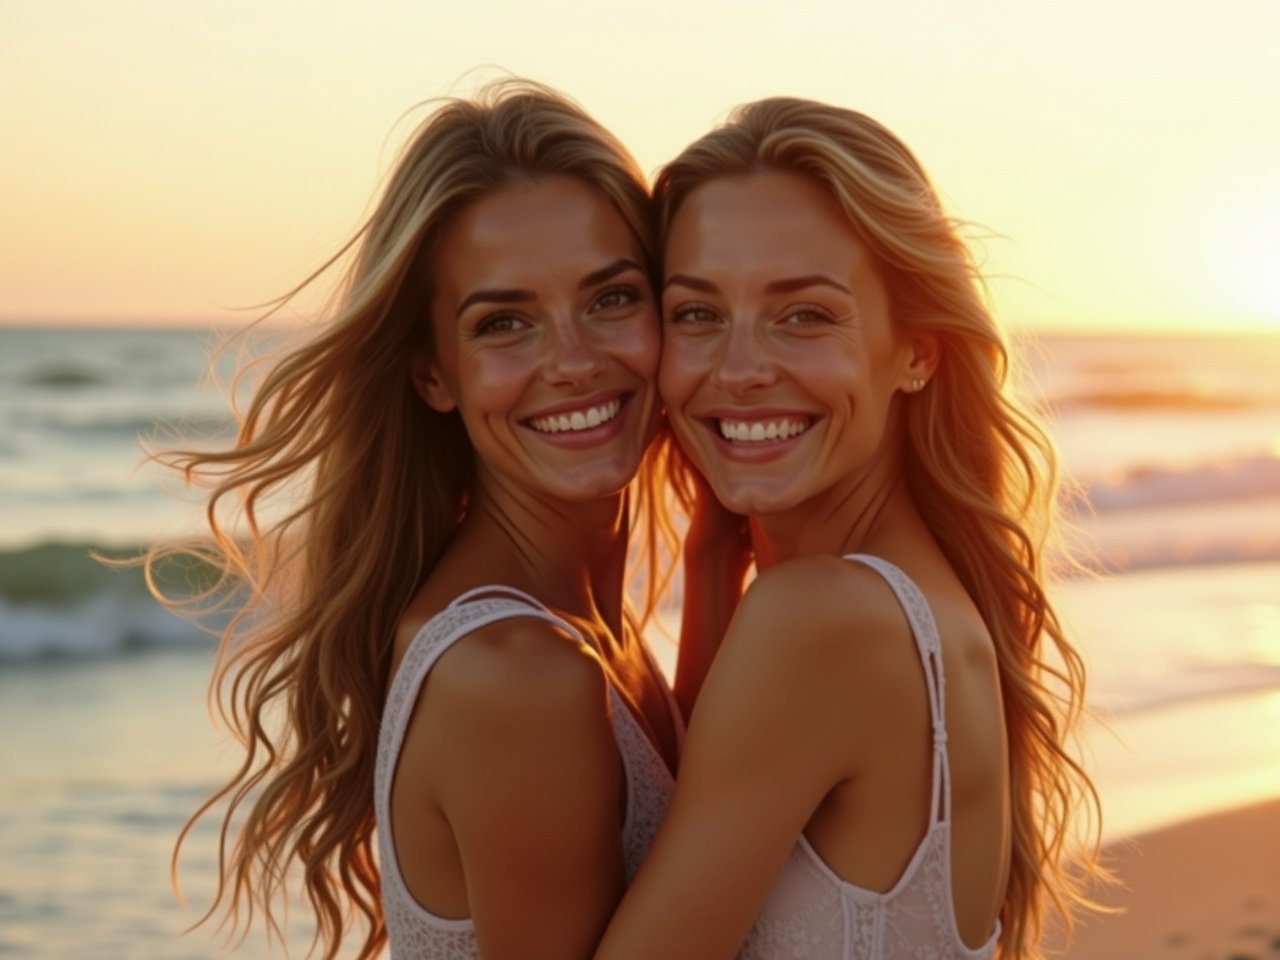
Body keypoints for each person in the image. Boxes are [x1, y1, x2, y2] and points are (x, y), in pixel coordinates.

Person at [150, 80, 687, 960]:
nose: (575, 361)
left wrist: (713, 560)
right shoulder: (516, 674)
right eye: (504, 322)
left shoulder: (572, 629)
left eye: (612, 298)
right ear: (434, 375)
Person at [594, 98, 1103, 959]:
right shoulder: (923, 607)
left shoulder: (824, 621)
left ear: (918, 350)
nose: (742, 368)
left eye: (806, 315)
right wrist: (714, 581)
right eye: (696, 313)